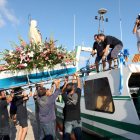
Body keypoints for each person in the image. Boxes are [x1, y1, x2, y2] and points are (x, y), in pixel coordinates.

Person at [62, 72, 82, 140]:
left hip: (68, 120)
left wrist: (65, 83)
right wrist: (77, 76)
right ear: (73, 89)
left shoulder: (65, 97)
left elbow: (62, 91)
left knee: (66, 137)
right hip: (77, 120)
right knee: (78, 137)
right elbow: (79, 86)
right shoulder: (77, 95)